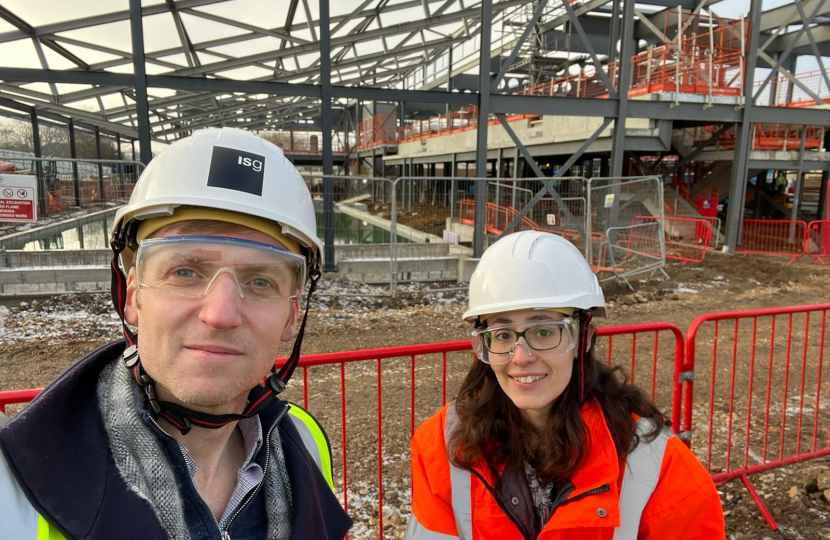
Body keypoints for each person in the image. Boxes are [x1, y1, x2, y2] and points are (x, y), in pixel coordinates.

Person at [0, 128, 352, 540]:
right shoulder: (15, 486)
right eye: (185, 272)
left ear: (293, 315)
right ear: (133, 295)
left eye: (260, 281)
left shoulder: (305, 446)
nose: (220, 314)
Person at [406, 231, 724, 540]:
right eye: (503, 335)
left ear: (582, 338)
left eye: (544, 331)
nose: (521, 357)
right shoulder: (441, 448)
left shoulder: (658, 466)